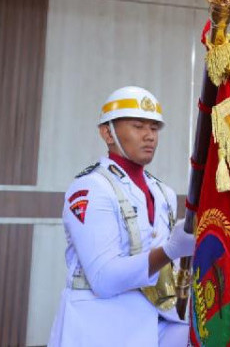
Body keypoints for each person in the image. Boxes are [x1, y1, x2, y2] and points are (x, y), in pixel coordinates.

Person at [48, 86, 194, 347]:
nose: (149, 136)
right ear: (107, 133)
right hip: (99, 329)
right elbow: (104, 278)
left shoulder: (164, 193)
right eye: (138, 126)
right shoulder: (90, 188)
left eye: (154, 128)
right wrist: (170, 250)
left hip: (153, 325)